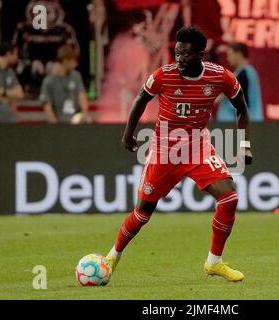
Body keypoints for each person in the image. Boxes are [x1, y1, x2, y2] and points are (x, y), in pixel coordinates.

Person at [104, 27, 252, 282]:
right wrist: (128, 134)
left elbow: (242, 109)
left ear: (200, 55)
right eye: (177, 53)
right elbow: (140, 99)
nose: (180, 59)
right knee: (142, 214)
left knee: (229, 197)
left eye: (186, 54)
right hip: (164, 151)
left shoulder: (220, 77)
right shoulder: (164, 75)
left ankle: (213, 263)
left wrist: (244, 144)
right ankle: (112, 257)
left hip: (197, 148)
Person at [39, 45, 90, 124]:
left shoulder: (76, 76)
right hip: (58, 123)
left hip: (75, 124)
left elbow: (82, 96)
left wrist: (84, 113)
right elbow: (47, 107)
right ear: (65, 60)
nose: (76, 64)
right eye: (73, 61)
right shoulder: (48, 81)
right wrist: (56, 127)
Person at [217, 42, 263, 122]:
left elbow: (241, 102)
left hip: (239, 126)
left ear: (238, 54)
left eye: (230, 55)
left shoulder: (244, 73)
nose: (228, 58)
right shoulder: (242, 73)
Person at [0, 43, 24, 123]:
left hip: (8, 117)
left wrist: (3, 92)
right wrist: (10, 96)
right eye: (16, 54)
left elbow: (20, 94)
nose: (17, 58)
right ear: (8, 54)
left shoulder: (10, 71)